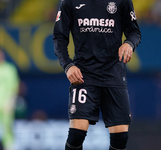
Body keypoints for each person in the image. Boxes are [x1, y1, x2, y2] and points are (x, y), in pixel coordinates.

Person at [53, 0, 141, 149]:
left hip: (113, 73)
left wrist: (129, 43)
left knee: (121, 137)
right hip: (84, 75)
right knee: (76, 135)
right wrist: (68, 66)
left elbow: (134, 32)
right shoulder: (69, 2)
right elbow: (59, 38)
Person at [0, 50, 19, 150]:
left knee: (7, 129)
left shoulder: (9, 69)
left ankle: (10, 147)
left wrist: (10, 102)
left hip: (5, 105)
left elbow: (14, 87)